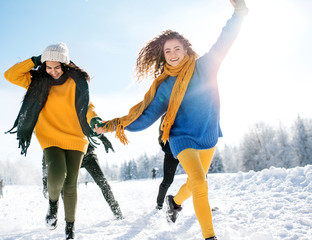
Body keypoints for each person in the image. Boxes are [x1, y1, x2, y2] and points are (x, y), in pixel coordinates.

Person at [94, 1, 248, 239]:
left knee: (196, 182)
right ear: (163, 55)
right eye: (168, 51)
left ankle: (174, 202)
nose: (173, 54)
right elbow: (145, 116)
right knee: (199, 181)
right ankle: (210, 236)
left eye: (177, 49)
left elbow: (224, 40)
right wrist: (115, 125)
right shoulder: (165, 85)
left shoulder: (205, 66)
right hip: (180, 136)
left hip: (207, 134)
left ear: (186, 49)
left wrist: (239, 13)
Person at [4, 42, 100, 240]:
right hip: (49, 136)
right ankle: (53, 204)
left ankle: (70, 230)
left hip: (75, 137)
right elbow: (10, 75)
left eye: (57, 67)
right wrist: (36, 60)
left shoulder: (77, 81)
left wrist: (94, 119)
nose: (53, 72)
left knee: (71, 183)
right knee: (57, 174)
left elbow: (87, 106)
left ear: (65, 65)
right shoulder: (37, 80)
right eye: (49, 67)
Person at [41, 134, 124, 220]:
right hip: (70, 157)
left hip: (88, 154)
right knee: (64, 187)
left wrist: (103, 138)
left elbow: (92, 124)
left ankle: (116, 211)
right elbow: (47, 151)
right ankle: (62, 217)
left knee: (102, 182)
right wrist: (45, 180)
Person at [155, 115, 180, 210]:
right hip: (171, 152)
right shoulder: (166, 115)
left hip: (186, 149)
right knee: (168, 181)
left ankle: (202, 204)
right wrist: (165, 146)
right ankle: (159, 204)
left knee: (198, 177)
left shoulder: (187, 109)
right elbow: (161, 135)